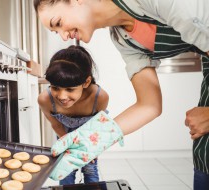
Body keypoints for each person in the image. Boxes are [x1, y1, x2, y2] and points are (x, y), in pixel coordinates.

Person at [33, 0, 209, 189]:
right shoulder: (123, 38)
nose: (63, 36)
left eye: (58, 23)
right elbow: (149, 105)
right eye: (55, 32)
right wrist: (94, 139)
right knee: (204, 153)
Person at [38, 45, 109, 185]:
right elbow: (56, 124)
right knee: (65, 170)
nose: (62, 96)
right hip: (64, 134)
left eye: (70, 89)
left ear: (86, 82)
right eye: (55, 87)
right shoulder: (45, 99)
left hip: (90, 136)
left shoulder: (99, 97)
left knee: (90, 169)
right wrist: (68, 145)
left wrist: (90, 149)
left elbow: (98, 125)